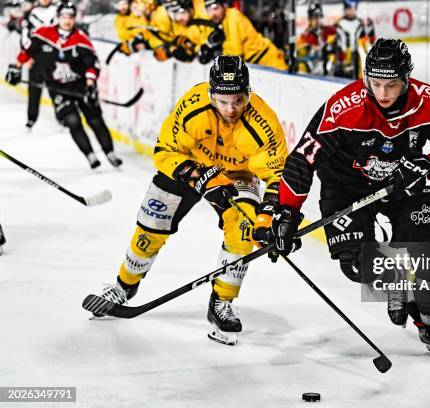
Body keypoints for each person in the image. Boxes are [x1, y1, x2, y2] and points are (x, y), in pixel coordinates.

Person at [269, 39, 430, 358]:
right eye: (375, 83)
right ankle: (394, 278)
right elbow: (303, 158)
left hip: (403, 182)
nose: (382, 94)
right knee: (355, 264)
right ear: (365, 77)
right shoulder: (344, 106)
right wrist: (286, 213)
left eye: (391, 85)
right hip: (346, 185)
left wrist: (426, 164)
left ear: (407, 79)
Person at [92, 56, 288, 346]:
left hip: (238, 174)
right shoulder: (193, 106)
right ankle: (124, 286)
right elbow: (164, 151)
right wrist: (202, 178)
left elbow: (276, 175)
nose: (231, 109)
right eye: (222, 101)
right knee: (151, 223)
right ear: (210, 94)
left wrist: (269, 215)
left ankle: (221, 302)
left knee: (243, 229)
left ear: (248, 94)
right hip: (191, 165)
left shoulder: (264, 123)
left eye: (238, 100)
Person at [5, 2, 123, 169]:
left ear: (75, 18)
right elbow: (27, 52)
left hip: (82, 87)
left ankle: (110, 152)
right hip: (58, 88)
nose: (67, 21)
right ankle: (90, 155)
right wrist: (15, 68)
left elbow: (92, 64)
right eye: (63, 17)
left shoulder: (81, 38)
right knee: (72, 120)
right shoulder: (43, 34)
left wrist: (90, 84)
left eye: (70, 17)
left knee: (95, 119)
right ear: (58, 17)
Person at [198, 0, 288, 70]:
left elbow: (235, 53)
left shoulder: (233, 18)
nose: (212, 14)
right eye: (208, 10)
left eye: (215, 8)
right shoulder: (224, 20)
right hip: (259, 63)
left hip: (269, 61)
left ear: (224, 5)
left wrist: (217, 53)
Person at [19, 0, 57, 130]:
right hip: (36, 58)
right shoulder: (31, 13)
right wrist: (28, 56)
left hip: (54, 58)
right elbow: (25, 37)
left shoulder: (59, 10)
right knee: (34, 90)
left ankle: (62, 117)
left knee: (56, 90)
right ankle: (31, 119)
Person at [333, 0, 375, 79]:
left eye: (353, 9)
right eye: (348, 9)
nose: (351, 11)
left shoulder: (360, 23)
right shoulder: (338, 24)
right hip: (342, 58)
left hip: (355, 56)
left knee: (356, 81)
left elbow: (369, 42)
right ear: (344, 9)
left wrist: (370, 29)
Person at [296, 2, 336, 75]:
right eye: (314, 17)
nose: (317, 20)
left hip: (327, 68)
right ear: (309, 19)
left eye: (319, 17)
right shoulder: (304, 35)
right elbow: (298, 52)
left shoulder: (330, 31)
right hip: (312, 70)